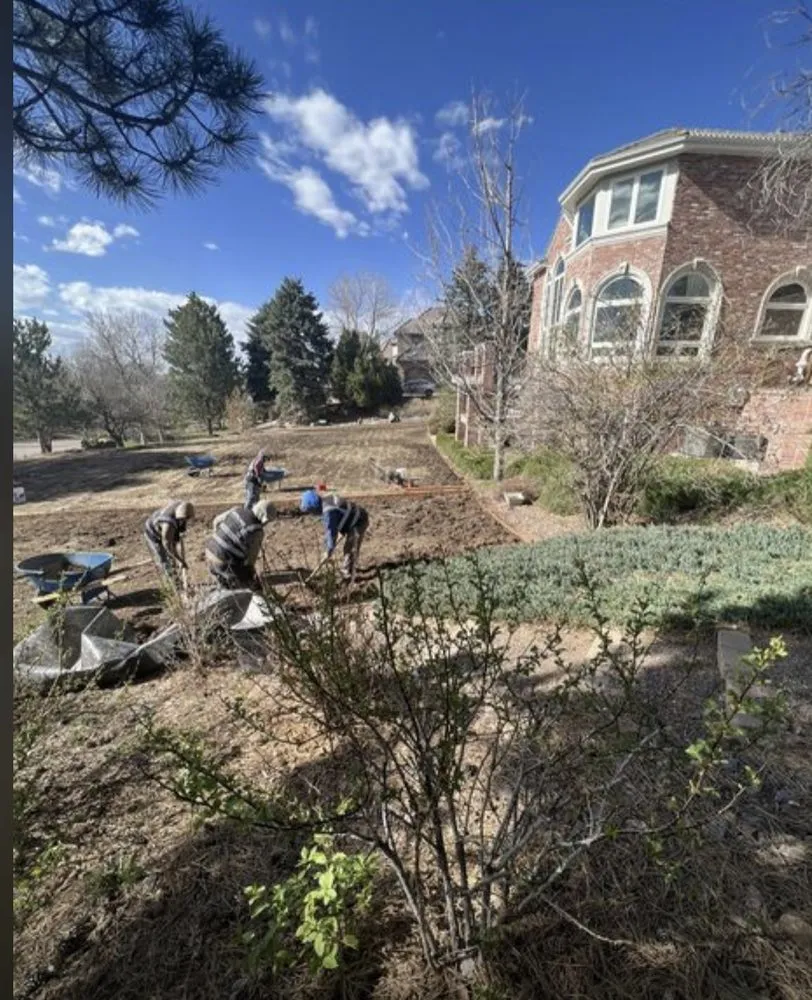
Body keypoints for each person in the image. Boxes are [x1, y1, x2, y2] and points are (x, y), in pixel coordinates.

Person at [300, 488, 369, 583]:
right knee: (348, 546)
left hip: (359, 521)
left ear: (314, 509)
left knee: (350, 547)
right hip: (351, 519)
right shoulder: (325, 501)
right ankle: (349, 567)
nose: (311, 514)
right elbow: (335, 524)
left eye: (310, 511)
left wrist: (329, 550)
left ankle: (348, 573)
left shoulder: (329, 512)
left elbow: (331, 531)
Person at [205, 499, 274, 591]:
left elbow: (216, 521)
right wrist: (251, 577)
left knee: (226, 581)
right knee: (250, 586)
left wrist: (218, 539)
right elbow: (250, 561)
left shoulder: (237, 510)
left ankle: (224, 584)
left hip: (209, 552)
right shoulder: (256, 530)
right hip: (223, 562)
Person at [144, 500, 195, 590]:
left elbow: (175, 540)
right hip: (153, 533)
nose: (187, 521)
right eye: (185, 520)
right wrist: (180, 560)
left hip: (166, 528)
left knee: (173, 557)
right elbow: (167, 546)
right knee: (165, 560)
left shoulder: (181, 507)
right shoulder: (168, 525)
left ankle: (178, 579)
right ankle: (175, 585)